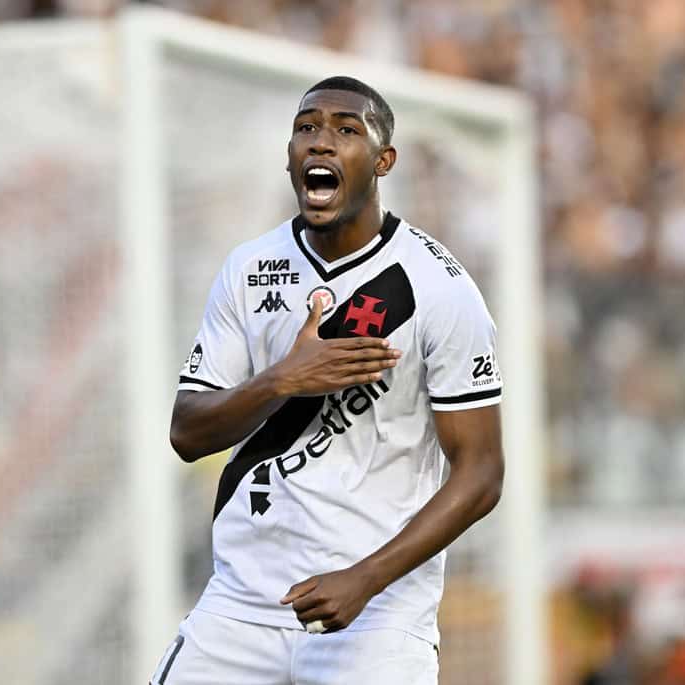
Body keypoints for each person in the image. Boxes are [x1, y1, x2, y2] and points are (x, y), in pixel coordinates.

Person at [152, 75, 505, 685]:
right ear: (290, 156)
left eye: (346, 129)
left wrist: (366, 578)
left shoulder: (440, 288)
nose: (321, 141)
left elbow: (482, 472)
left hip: (377, 616)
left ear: (383, 161)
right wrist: (282, 380)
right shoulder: (248, 269)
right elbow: (187, 432)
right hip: (241, 605)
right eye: (307, 128)